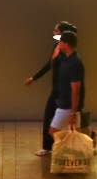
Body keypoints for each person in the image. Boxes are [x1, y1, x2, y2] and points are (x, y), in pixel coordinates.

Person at [25, 21, 78, 156]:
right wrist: (34, 78)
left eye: (56, 31)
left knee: (72, 120)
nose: (53, 33)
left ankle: (85, 143)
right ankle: (47, 147)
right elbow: (49, 65)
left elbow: (72, 75)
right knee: (49, 117)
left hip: (64, 91)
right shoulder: (56, 45)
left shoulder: (67, 53)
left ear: (63, 34)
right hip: (56, 90)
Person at [48, 31, 85, 137]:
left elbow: (75, 90)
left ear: (66, 44)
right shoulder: (66, 58)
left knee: (53, 131)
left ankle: (88, 141)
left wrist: (73, 113)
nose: (58, 43)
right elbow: (53, 63)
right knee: (75, 133)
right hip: (64, 104)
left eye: (60, 42)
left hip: (67, 107)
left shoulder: (75, 63)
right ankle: (84, 144)